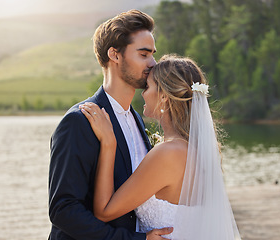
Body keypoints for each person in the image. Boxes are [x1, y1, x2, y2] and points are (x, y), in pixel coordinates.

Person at [79, 55, 241, 239]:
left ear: (164, 97)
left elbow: (104, 211)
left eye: (148, 87)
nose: (142, 93)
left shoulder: (168, 153)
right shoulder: (195, 149)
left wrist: (109, 143)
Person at [48, 10, 173, 240]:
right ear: (114, 55)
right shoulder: (78, 121)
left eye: (153, 55)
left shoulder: (136, 118)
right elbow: (63, 211)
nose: (153, 63)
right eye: (144, 54)